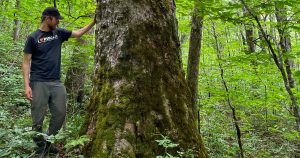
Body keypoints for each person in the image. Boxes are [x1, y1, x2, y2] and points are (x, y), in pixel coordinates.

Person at [22, 7, 95, 157]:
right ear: (48, 18)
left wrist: (94, 21)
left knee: (60, 114)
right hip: (38, 82)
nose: (58, 22)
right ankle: (39, 149)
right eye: (56, 19)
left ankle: (48, 143)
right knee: (37, 120)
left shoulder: (58, 33)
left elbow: (79, 32)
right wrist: (27, 85)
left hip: (56, 82)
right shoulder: (33, 37)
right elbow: (25, 62)